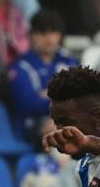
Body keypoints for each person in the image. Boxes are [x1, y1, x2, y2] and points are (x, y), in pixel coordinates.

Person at [8, 10, 78, 140]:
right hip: (33, 127)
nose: (49, 38)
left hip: (68, 120)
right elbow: (27, 104)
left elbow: (83, 94)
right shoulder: (20, 65)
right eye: (43, 33)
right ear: (32, 35)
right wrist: (66, 98)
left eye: (53, 32)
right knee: (59, 130)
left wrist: (48, 94)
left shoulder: (70, 62)